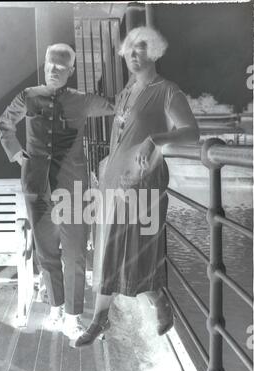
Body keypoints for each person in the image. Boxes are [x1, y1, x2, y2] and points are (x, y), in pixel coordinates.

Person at [71, 27, 199, 347]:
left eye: (140, 49)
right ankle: (101, 320)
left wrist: (155, 140)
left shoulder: (168, 91)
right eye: (128, 50)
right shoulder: (128, 91)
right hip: (114, 183)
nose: (133, 55)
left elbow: (191, 133)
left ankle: (159, 300)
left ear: (154, 52)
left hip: (144, 184)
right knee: (107, 252)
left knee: (135, 255)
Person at [0, 43, 114, 339]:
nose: (53, 70)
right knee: (47, 251)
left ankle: (73, 317)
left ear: (71, 71)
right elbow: (4, 124)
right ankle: (55, 308)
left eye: (60, 67)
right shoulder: (29, 96)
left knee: (74, 253)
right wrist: (17, 154)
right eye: (50, 64)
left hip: (73, 188)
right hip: (37, 185)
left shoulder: (83, 100)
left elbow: (116, 107)